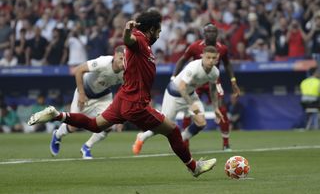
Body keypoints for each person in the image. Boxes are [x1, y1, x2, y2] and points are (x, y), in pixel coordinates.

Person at [27, 10, 217, 177]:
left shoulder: (145, 45)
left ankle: (57, 115)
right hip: (135, 104)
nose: (159, 35)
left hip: (123, 98)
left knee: (95, 125)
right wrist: (127, 30)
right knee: (174, 131)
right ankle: (194, 167)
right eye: (158, 31)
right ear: (151, 30)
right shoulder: (140, 40)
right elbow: (129, 40)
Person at [132, 46, 224, 155]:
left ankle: (181, 140)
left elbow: (213, 89)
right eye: (208, 57)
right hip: (174, 95)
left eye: (213, 58)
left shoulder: (215, 72)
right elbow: (181, 87)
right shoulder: (193, 67)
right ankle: (142, 137)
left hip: (190, 95)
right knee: (163, 125)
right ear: (202, 56)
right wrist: (191, 104)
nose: (211, 60)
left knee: (201, 122)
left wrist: (216, 107)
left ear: (217, 58)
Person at [170, 23, 240, 151]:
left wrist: (233, 81)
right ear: (204, 33)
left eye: (213, 32)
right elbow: (183, 59)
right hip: (196, 82)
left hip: (213, 82)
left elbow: (228, 65)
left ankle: (226, 144)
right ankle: (185, 144)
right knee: (189, 109)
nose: (211, 34)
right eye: (208, 31)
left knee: (221, 109)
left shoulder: (222, 48)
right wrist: (173, 77)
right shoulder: (195, 46)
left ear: (217, 34)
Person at [50, 45, 125, 159]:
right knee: (73, 126)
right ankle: (57, 135)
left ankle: (87, 147)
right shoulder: (103, 62)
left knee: (107, 125)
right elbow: (79, 70)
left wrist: (120, 114)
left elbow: (125, 91)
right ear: (115, 56)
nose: (123, 61)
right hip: (84, 93)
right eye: (121, 58)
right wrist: (81, 94)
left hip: (103, 96)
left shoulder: (127, 72)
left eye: (126, 59)